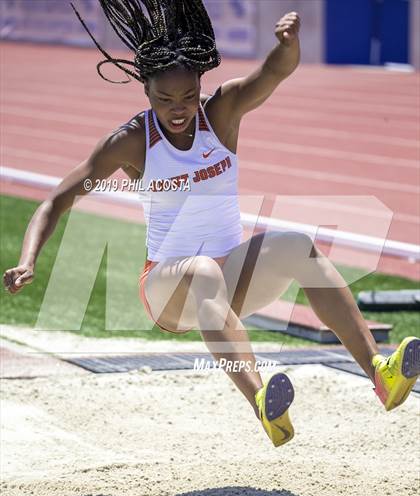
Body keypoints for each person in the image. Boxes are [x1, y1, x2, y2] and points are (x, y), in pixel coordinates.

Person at [3, 0, 419, 448]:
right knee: (201, 268)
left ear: (200, 84)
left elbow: (273, 73)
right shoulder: (130, 143)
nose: (178, 109)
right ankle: (262, 400)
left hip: (230, 281)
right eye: (164, 99)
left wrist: (289, 45)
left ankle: (380, 373)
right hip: (168, 289)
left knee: (297, 245)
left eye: (186, 96)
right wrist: (30, 259)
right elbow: (56, 201)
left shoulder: (220, 114)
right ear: (146, 92)